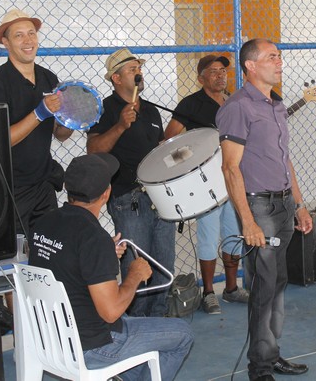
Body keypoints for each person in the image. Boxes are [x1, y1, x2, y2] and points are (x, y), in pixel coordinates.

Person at [28, 153, 193, 381]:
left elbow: (67, 263)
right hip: (92, 345)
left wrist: (105, 254)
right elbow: (111, 311)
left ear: (68, 189)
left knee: (139, 345)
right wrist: (134, 275)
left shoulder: (44, 223)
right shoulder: (93, 237)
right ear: (106, 194)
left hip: (52, 338)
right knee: (183, 333)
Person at [216, 39, 313, 381]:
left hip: (283, 203)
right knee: (264, 285)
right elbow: (230, 168)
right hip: (259, 207)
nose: (279, 62)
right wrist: (248, 221)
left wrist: (299, 205)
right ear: (251, 66)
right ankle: (259, 369)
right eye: (272, 57)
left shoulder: (276, 105)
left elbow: (284, 159)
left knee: (277, 283)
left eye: (280, 56)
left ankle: (270, 354)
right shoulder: (238, 107)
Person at [87, 48, 175, 317]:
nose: (139, 73)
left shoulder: (151, 110)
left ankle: (159, 319)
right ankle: (135, 323)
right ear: (116, 78)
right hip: (128, 198)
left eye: (139, 68)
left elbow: (158, 150)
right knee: (135, 265)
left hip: (160, 195)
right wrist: (120, 126)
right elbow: (93, 149)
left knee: (163, 264)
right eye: (132, 70)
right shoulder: (106, 109)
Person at [164, 55, 249, 315]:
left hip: (233, 178)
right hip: (206, 183)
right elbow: (168, 143)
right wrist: (192, 160)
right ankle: (209, 292)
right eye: (213, 71)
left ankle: (232, 288)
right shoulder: (190, 104)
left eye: (223, 70)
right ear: (201, 78)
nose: (220, 75)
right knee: (209, 237)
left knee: (234, 234)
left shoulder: (234, 101)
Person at [0, 8, 73, 237]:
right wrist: (39, 113)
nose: (28, 41)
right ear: (6, 42)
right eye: (18, 35)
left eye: (31, 33)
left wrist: (75, 119)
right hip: (11, 188)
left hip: (43, 184)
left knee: (48, 249)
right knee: (15, 252)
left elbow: (60, 134)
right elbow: (0, 141)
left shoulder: (49, 78)